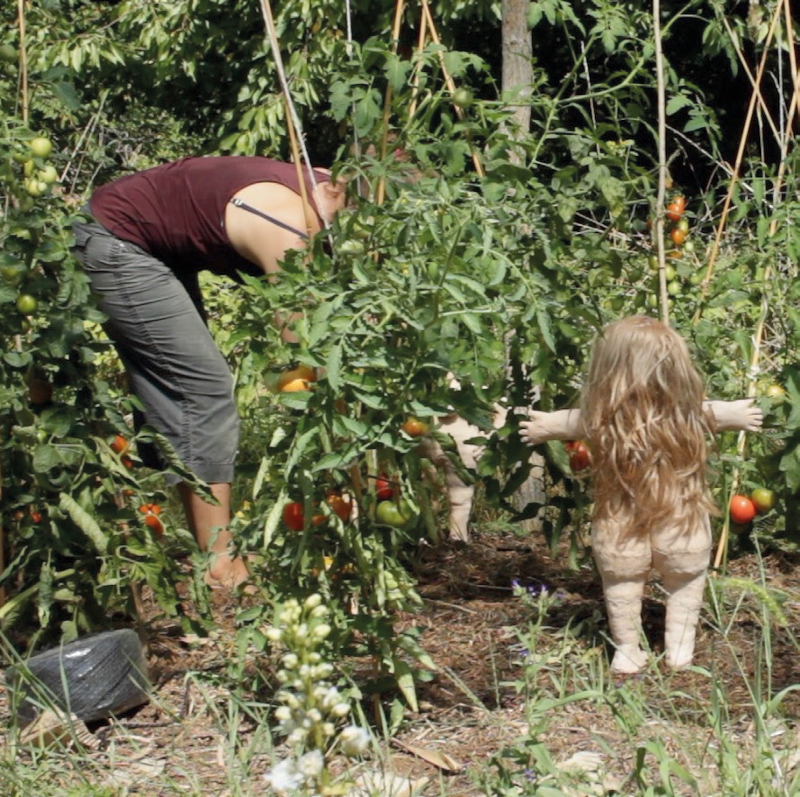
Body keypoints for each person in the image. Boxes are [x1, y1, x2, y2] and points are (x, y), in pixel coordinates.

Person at [72, 156, 347, 590]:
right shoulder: (287, 227)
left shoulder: (335, 193)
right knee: (202, 389)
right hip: (118, 237)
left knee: (182, 392)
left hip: (157, 239)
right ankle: (219, 562)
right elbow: (305, 349)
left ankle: (206, 539)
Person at [518, 315, 763, 673]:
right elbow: (717, 413)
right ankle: (680, 652)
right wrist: (739, 413)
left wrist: (544, 425)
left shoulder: (603, 419)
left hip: (620, 520)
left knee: (621, 583)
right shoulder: (686, 415)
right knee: (685, 583)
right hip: (682, 518)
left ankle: (628, 651)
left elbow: (567, 422)